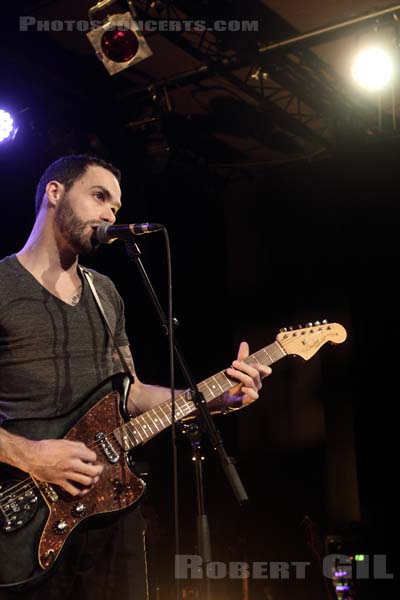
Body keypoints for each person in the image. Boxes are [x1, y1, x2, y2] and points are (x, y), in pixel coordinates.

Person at [0, 155, 271, 599]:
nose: (110, 214)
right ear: (54, 193)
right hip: (23, 516)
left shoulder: (105, 293)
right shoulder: (3, 286)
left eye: (117, 207)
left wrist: (215, 397)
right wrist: (31, 456)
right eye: (99, 196)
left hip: (110, 507)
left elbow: (131, 393)